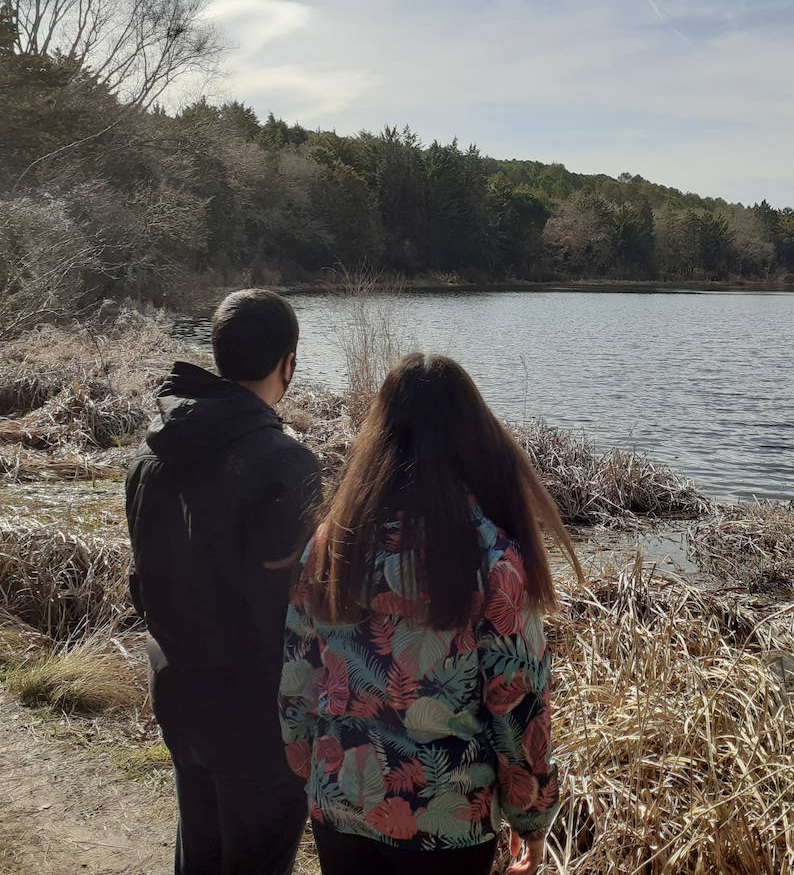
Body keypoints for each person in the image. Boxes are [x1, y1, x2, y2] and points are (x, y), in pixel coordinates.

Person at [280, 353, 581, 875]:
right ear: (475, 440)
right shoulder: (493, 560)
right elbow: (519, 708)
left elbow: (297, 672)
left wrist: (307, 764)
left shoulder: (331, 546)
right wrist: (531, 818)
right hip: (448, 822)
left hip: (340, 800)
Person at [127, 288, 322, 875]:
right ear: (288, 362)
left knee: (200, 855)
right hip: (256, 714)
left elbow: (143, 581)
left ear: (219, 355)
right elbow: (293, 614)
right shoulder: (285, 465)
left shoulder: (152, 454)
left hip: (179, 689)